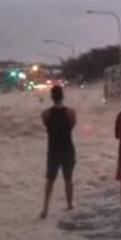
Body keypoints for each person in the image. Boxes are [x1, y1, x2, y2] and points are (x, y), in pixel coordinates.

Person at [40, 85, 76, 218]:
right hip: (67, 149)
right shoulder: (70, 112)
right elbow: (72, 126)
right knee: (68, 179)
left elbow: (46, 125)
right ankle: (70, 205)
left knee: (50, 180)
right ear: (63, 96)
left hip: (53, 150)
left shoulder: (46, 114)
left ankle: (45, 209)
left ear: (51, 97)